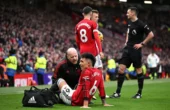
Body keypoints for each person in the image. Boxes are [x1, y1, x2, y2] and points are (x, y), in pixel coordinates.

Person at [110, 7, 154, 99]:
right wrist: (126, 41)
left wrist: (142, 44)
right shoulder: (130, 23)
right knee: (121, 69)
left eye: (128, 13)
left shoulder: (141, 24)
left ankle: (139, 93)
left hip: (135, 50)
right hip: (127, 49)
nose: (126, 14)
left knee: (138, 70)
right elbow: (128, 32)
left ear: (133, 13)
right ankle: (118, 92)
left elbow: (151, 34)